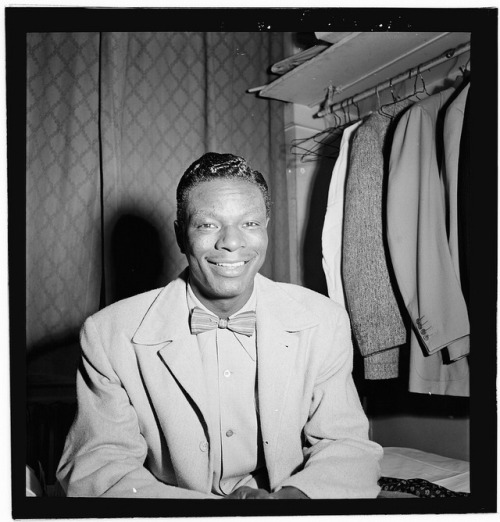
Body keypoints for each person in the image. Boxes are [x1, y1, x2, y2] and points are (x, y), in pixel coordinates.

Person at [56, 152, 383, 499]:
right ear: (181, 236)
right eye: (208, 224)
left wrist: (291, 501)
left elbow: (347, 444)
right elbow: (97, 470)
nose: (231, 241)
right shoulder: (108, 335)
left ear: (266, 231)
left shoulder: (324, 320)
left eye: (250, 223)